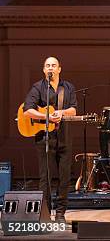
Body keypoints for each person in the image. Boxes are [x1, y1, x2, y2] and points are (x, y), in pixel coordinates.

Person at [23, 56, 77, 222]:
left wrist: (61, 113)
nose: (51, 68)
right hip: (44, 138)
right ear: (44, 70)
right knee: (45, 177)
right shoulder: (38, 87)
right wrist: (46, 116)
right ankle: (45, 213)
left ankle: (60, 213)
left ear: (59, 69)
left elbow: (73, 110)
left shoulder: (68, 87)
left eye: (54, 65)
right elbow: (27, 111)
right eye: (48, 66)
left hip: (65, 137)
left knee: (64, 177)